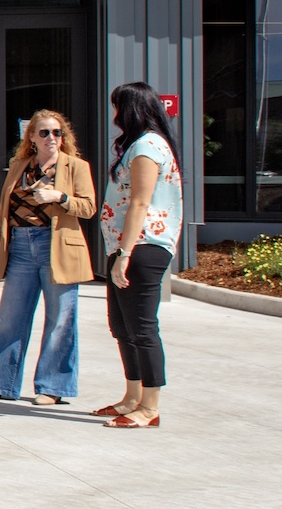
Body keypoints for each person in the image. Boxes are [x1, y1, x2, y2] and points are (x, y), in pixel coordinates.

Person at [0, 108, 95, 406]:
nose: (51, 138)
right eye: (44, 132)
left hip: (57, 247)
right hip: (20, 246)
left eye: (57, 133)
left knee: (60, 320)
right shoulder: (19, 165)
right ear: (31, 137)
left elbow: (89, 207)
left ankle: (53, 387)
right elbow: (6, 212)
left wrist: (60, 197)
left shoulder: (76, 167)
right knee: (10, 318)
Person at [97, 81, 182, 428]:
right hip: (125, 245)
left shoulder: (147, 147)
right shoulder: (136, 146)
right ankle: (132, 397)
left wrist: (126, 253)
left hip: (142, 247)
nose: (114, 113)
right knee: (122, 326)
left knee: (143, 328)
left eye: (118, 106)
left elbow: (140, 202)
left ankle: (150, 406)